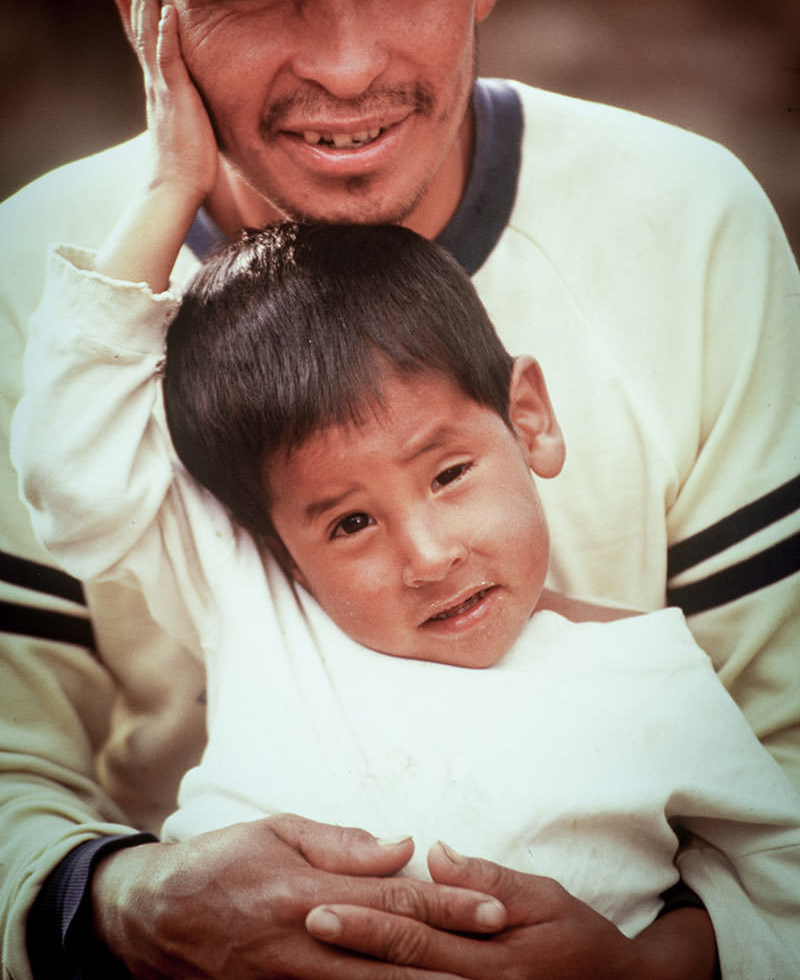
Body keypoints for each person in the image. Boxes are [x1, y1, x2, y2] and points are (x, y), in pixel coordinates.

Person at [0, 0, 798, 977]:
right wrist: (126, 903)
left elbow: (778, 769)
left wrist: (655, 966)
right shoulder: (40, 288)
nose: (343, 62)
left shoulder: (689, 226)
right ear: (140, 5)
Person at [11, 175, 800, 979]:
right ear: (276, 543)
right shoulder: (261, 596)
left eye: (449, 473)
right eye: (350, 523)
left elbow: (783, 887)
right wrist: (167, 186)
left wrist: (647, 969)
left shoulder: (653, 675)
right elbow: (71, 474)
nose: (427, 556)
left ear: (529, 418)